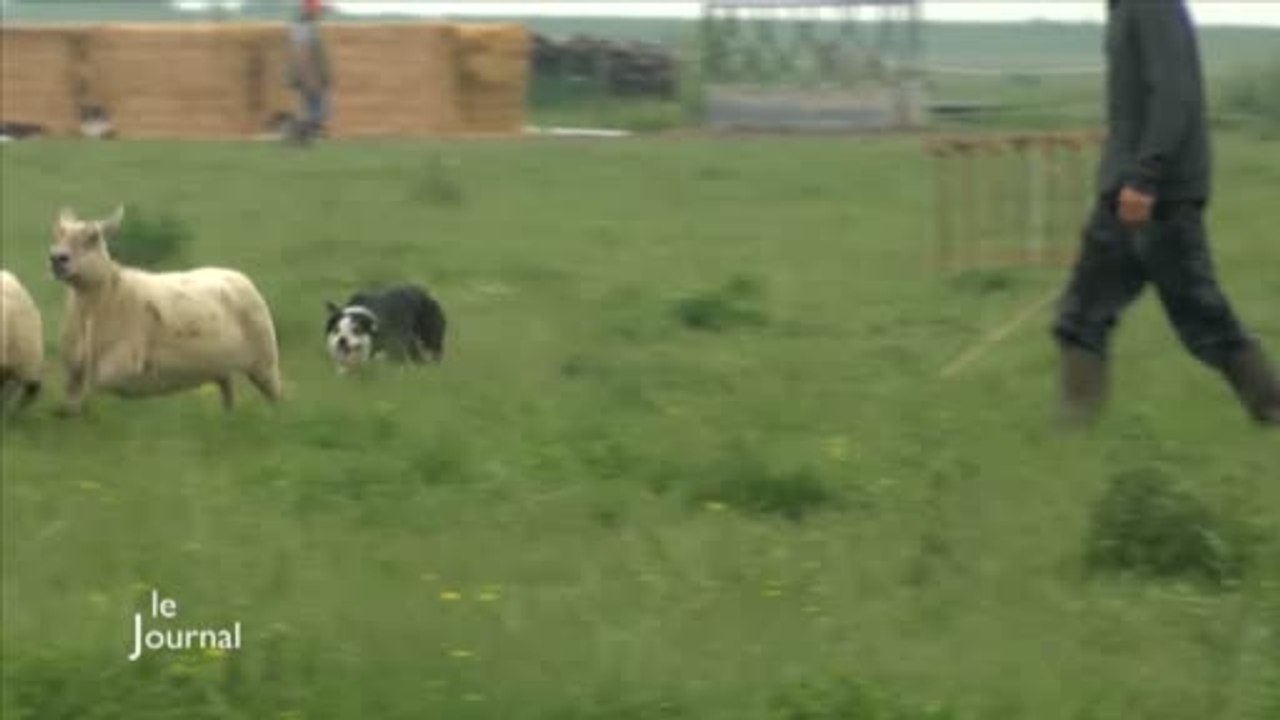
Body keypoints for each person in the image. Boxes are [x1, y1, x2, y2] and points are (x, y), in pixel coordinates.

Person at [1052, 0, 1280, 427]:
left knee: (1203, 317)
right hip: (1123, 193)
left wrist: (1145, 177)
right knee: (1081, 315)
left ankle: (1272, 409)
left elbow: (1174, 94)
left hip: (1159, 196)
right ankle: (1071, 432)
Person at [287, 0, 332, 144]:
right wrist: (309, 78)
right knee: (317, 112)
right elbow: (302, 52)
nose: (320, 13)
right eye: (318, 9)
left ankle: (303, 137)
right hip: (309, 76)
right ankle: (296, 135)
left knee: (315, 111)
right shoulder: (303, 26)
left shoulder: (308, 25)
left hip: (312, 75)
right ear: (309, 9)